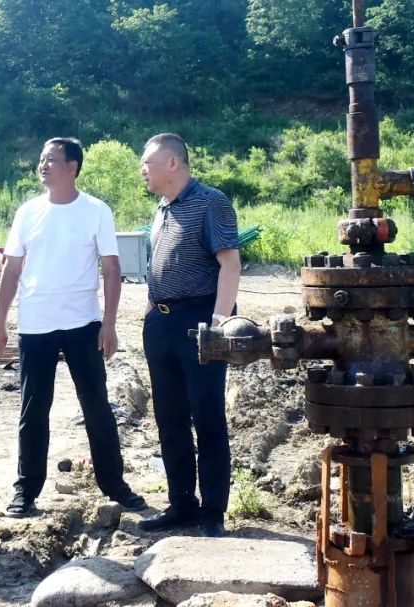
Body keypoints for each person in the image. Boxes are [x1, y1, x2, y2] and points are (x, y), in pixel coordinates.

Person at [0, 137, 147, 518]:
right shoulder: (28, 212)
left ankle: (114, 484)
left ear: (72, 167)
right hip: (36, 325)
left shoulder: (96, 211)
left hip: (83, 323)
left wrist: (109, 324)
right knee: (33, 409)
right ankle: (26, 490)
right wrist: (0, 321)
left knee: (96, 406)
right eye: (41, 159)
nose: (43, 165)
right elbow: (11, 270)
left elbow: (112, 270)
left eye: (51, 159)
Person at [137, 133, 240, 538]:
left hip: (199, 322)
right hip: (161, 323)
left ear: (172, 163)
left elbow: (230, 264)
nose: (142, 171)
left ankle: (213, 512)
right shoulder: (162, 208)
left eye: (147, 163)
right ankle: (181, 505)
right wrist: (150, 312)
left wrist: (219, 324)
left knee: (207, 417)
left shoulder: (211, 201)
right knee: (170, 419)